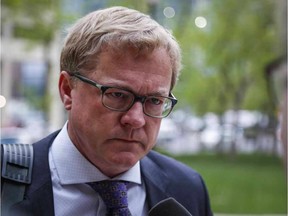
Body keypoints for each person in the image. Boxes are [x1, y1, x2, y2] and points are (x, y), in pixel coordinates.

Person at [1, 6, 213, 216]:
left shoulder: (188, 189)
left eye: (155, 101)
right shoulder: (5, 182)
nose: (136, 119)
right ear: (67, 90)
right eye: (118, 95)